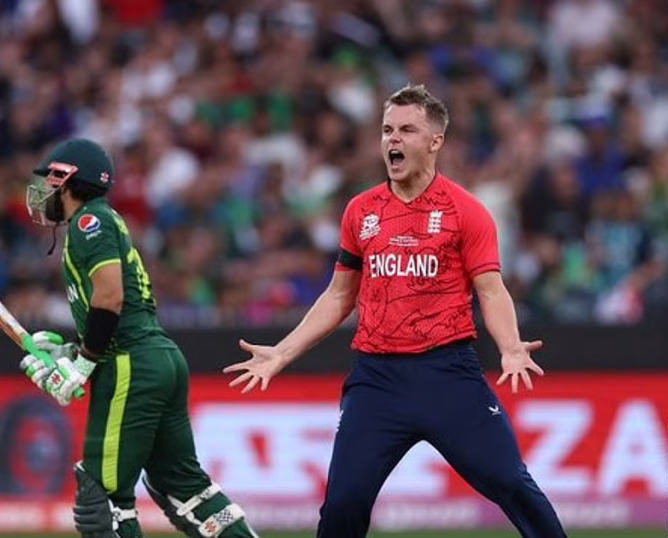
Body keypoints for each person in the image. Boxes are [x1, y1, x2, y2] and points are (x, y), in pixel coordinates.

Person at [223, 84, 568, 538]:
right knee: (343, 503)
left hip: (448, 375)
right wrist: (282, 352)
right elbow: (339, 296)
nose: (393, 140)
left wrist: (510, 346)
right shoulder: (361, 211)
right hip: (377, 381)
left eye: (407, 130)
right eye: (387, 130)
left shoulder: (466, 211)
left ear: (435, 141)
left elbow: (491, 290)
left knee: (510, 482)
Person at [19, 138, 260, 538]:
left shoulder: (89, 223)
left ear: (69, 179)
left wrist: (83, 363)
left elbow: (110, 297)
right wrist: (72, 351)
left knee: (102, 499)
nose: (45, 189)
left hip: (131, 363)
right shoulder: (101, 220)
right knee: (183, 487)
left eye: (51, 180)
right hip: (156, 357)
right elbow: (116, 309)